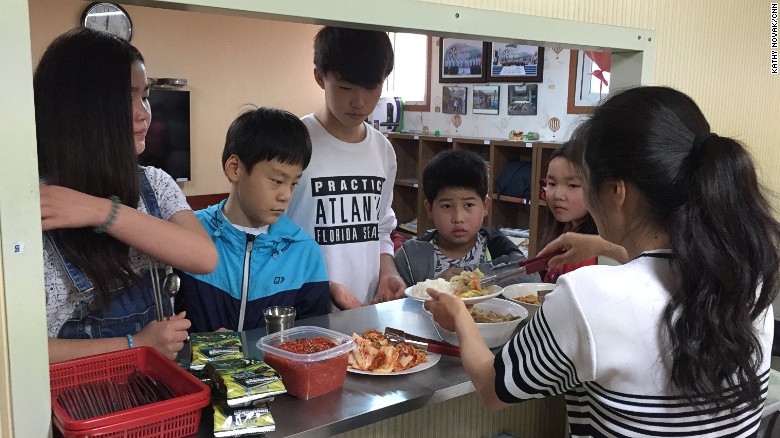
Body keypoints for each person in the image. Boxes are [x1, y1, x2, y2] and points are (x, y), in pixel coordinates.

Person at [426, 86, 780, 436]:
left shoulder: (589, 296)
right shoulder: (749, 278)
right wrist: (603, 244)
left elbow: (493, 388)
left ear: (616, 191)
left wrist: (459, 314)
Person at [36, 28, 218, 363]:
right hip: (82, 407)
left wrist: (103, 212)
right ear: (80, 109)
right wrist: (134, 345)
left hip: (156, 393)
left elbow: (204, 257)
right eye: (126, 98)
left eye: (145, 96)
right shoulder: (39, 201)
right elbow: (22, 352)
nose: (144, 114)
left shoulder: (155, 184)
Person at [175, 107, 330, 332]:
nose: (285, 194)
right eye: (277, 180)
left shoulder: (304, 252)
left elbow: (311, 339)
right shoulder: (189, 234)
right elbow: (165, 325)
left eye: (294, 183)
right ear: (235, 168)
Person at [286, 26, 405, 310]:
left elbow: (380, 228)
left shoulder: (383, 150)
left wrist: (387, 270)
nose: (359, 102)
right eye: (345, 87)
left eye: (372, 87)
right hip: (304, 311)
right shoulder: (293, 142)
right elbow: (270, 234)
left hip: (365, 311)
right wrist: (321, 288)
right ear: (319, 77)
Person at [395, 150, 538, 286]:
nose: (458, 218)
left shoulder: (498, 247)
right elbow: (397, 305)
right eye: (446, 206)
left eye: (469, 205)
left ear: (485, 206)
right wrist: (435, 285)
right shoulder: (410, 256)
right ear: (430, 209)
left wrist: (469, 276)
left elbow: (532, 277)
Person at [537, 142, 602, 282]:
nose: (557, 195)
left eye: (572, 185)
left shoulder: (592, 254)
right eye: (552, 184)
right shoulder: (567, 232)